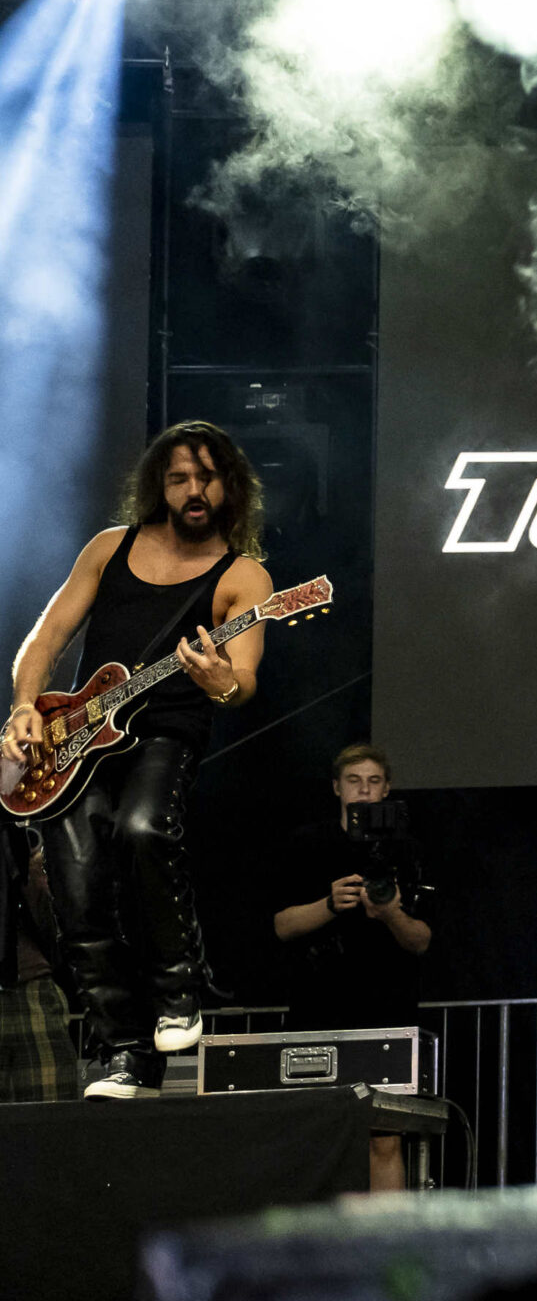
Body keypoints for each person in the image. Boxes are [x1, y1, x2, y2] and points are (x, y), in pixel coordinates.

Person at [2, 423, 271, 1098]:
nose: (193, 489)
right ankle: (126, 1049)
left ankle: (180, 991)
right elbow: (46, 636)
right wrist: (25, 706)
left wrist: (220, 683)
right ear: (158, 483)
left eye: (207, 476)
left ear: (229, 485)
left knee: (143, 829)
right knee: (75, 883)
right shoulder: (109, 548)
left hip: (166, 731)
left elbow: (243, 681)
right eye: (179, 477)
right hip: (79, 738)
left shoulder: (244, 575)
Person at [273, 743, 432, 1191]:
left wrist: (390, 913)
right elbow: (282, 925)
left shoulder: (408, 850)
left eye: (374, 781)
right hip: (317, 1008)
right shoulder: (306, 844)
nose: (364, 791)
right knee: (314, 1138)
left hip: (388, 1009)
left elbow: (421, 940)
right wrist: (330, 904)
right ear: (337, 788)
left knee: (385, 1140)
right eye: (354, 781)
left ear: (388, 789)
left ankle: (385, 1255)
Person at [0, 830, 81, 1102]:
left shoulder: (21, 833)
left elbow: (57, 926)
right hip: (30, 988)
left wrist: (30, 863)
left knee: (52, 1129)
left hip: (30, 990)